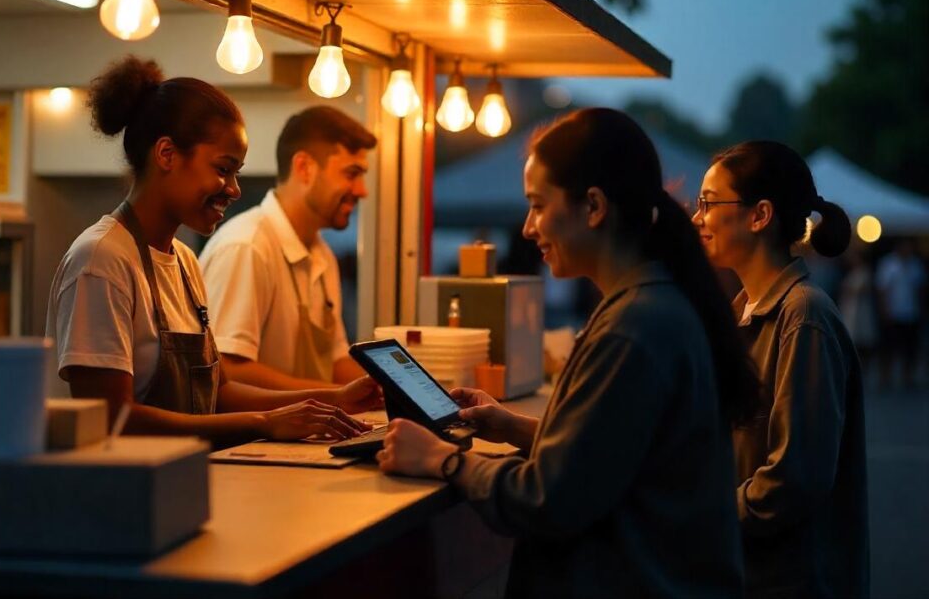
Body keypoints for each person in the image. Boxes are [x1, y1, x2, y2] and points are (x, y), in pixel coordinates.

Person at [378, 108, 758, 597]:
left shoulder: (635, 326)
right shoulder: (648, 305)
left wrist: (441, 460)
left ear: (594, 207)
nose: (527, 228)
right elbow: (611, 453)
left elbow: (548, 499)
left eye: (537, 205)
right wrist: (514, 426)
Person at [46, 57, 380, 447]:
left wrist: (333, 399)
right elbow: (110, 417)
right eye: (224, 169)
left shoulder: (184, 261)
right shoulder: (101, 259)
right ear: (167, 154)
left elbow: (218, 393)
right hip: (123, 497)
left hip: (182, 481)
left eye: (237, 172)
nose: (234, 188)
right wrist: (264, 422)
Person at [693, 140, 869, 598]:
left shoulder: (804, 317)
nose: (698, 219)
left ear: (760, 215)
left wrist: (701, 514)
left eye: (708, 204)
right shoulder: (744, 312)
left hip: (790, 581)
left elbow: (795, 481)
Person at [200, 106, 376, 389]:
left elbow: (336, 362)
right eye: (351, 174)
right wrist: (337, 397)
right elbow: (228, 370)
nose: (361, 190)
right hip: (250, 435)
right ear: (304, 167)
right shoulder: (247, 246)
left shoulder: (322, 255)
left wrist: (393, 391)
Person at [875, 238, 926, 387]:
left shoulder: (915, 264)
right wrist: (884, 310)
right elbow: (882, 289)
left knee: (910, 348)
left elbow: (920, 289)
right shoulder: (888, 264)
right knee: (888, 348)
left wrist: (921, 310)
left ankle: (907, 378)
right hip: (893, 312)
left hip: (911, 312)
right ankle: (886, 378)